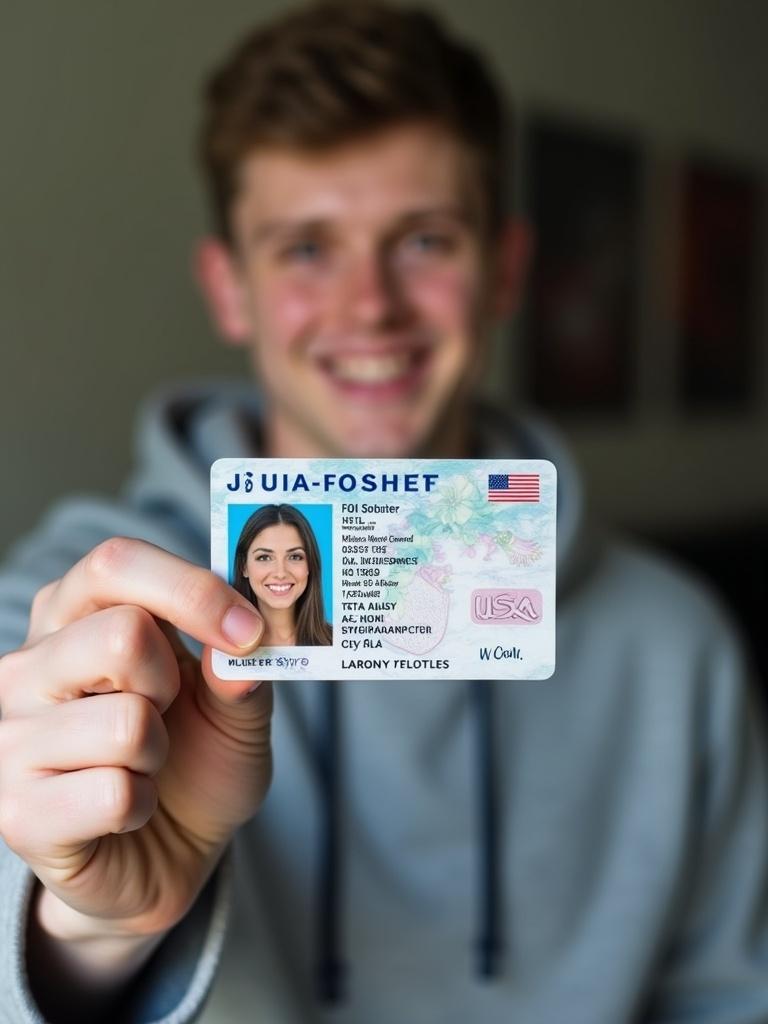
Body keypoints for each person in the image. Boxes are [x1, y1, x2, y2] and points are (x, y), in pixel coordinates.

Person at [1, 3, 767, 1023]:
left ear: (504, 268)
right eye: (307, 249)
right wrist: (92, 928)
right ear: (231, 290)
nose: (370, 307)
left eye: (423, 240)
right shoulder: (63, 610)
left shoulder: (679, 646)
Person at [232, 504, 332, 646]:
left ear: (310, 565)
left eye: (295, 557)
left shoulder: (342, 645)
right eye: (264, 557)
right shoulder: (224, 652)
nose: (280, 573)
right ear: (244, 567)